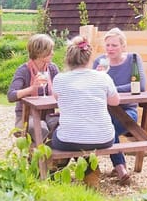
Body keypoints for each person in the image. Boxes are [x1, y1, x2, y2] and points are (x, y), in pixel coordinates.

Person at [51, 36, 120, 188]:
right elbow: (115, 102)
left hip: (68, 139)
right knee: (85, 140)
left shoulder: (60, 79)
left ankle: (55, 172)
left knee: (55, 133)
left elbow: (56, 98)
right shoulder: (103, 77)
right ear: (90, 59)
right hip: (104, 138)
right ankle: (90, 174)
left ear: (68, 58)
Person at [92, 28, 146, 181]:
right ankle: (120, 168)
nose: (110, 49)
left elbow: (140, 86)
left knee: (109, 128)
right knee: (106, 125)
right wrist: (96, 76)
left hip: (127, 111)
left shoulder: (133, 59)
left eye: (114, 45)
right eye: (107, 45)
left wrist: (111, 88)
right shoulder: (100, 62)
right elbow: (90, 86)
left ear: (123, 46)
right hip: (105, 111)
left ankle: (118, 167)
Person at [7, 34, 61, 137]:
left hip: (48, 114)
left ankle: (50, 152)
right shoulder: (23, 70)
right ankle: (40, 152)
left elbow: (62, 90)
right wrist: (32, 89)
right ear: (40, 52)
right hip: (26, 117)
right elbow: (11, 95)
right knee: (40, 129)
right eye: (50, 50)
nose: (53, 53)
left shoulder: (52, 68)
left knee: (61, 126)